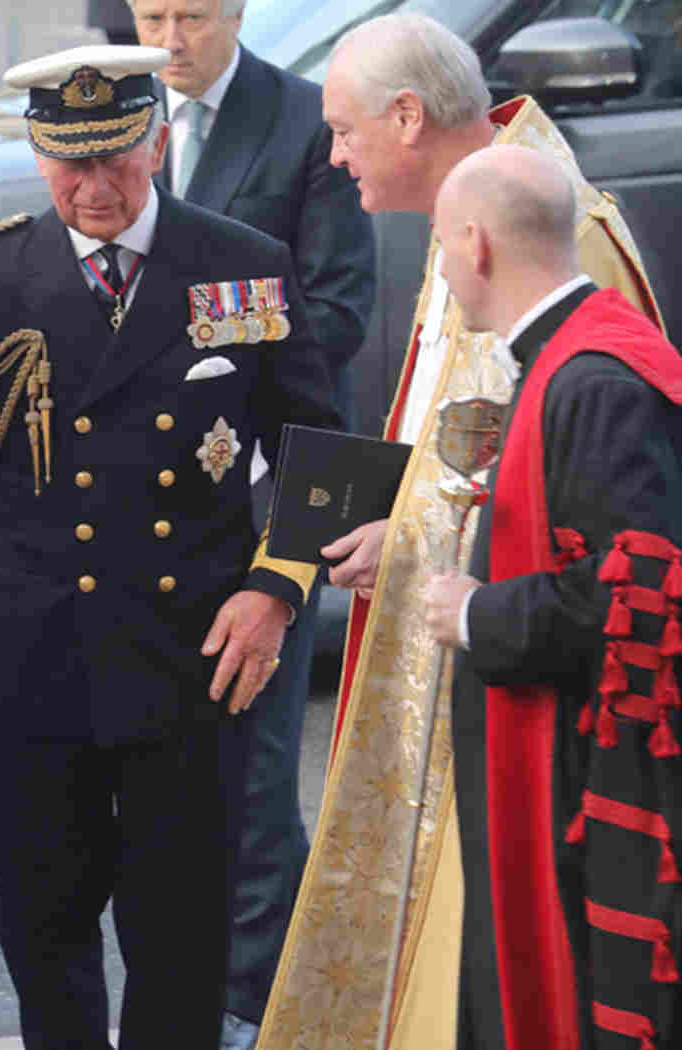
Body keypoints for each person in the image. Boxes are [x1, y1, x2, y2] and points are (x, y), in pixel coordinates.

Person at [258, 15, 663, 1050]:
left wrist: (472, 598)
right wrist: (391, 531)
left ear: (405, 117)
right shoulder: (473, 201)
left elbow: (610, 524)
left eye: (344, 131)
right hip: (462, 649)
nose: (333, 155)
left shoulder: (548, 220)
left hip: (537, 714)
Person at [0, 44, 341, 1048]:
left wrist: (275, 589)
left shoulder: (241, 264)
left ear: (157, 141)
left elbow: (322, 454)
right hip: (36, 657)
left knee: (180, 934)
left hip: (187, 655)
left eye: (115, 156)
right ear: (37, 157)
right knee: (41, 921)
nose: (93, 185)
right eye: (68, 162)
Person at [130, 3, 376, 1042]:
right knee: (155, 777)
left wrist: (198, 351)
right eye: (151, 14)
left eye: (190, 14)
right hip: (143, 502)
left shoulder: (303, 121)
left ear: (233, 11)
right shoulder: (118, 121)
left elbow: (337, 307)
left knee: (257, 776)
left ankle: (258, 1012)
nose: (169, 36)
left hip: (274, 472)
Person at [424, 143, 682, 1050]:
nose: (445, 272)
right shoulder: (570, 359)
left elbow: (630, 602)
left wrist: (470, 613)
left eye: (442, 246)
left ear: (477, 243)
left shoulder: (596, 381)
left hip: (591, 785)